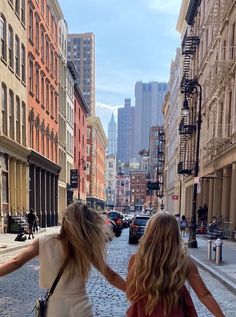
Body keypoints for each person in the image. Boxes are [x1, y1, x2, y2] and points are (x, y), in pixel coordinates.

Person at [0, 202, 126, 316]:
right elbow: (112, 276)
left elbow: (16, 262)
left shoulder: (44, 242)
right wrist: (138, 294)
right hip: (81, 308)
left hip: (56, 308)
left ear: (64, 221)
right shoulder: (85, 247)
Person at [126, 212, 225, 317]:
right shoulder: (183, 262)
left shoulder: (137, 260)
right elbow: (204, 295)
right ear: (175, 234)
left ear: (149, 233)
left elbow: (130, 293)